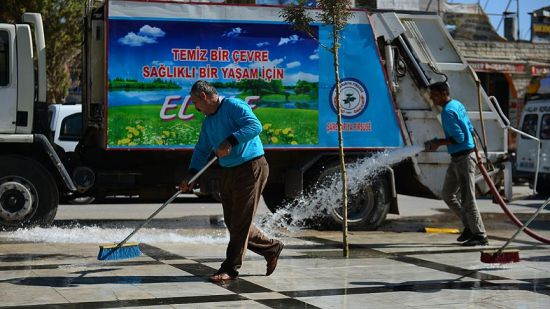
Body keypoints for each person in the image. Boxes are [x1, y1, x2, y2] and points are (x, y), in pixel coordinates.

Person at [179, 80, 284, 282]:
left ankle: (230, 268)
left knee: (240, 222)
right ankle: (272, 247)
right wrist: (192, 174)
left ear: (203, 97)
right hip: (228, 170)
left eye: (195, 102)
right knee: (233, 222)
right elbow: (201, 150)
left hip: (251, 166)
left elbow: (255, 125)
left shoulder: (233, 105)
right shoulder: (208, 121)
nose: (195, 108)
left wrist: (230, 141)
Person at [424, 81, 488, 247]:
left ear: (444, 93)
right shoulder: (457, 104)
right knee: (448, 194)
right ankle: (469, 226)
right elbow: (470, 129)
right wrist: (477, 152)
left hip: (464, 159)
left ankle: (480, 235)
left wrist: (438, 143)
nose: (432, 98)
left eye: (435, 95)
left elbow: (459, 138)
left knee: (468, 199)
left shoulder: (448, 112)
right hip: (459, 157)